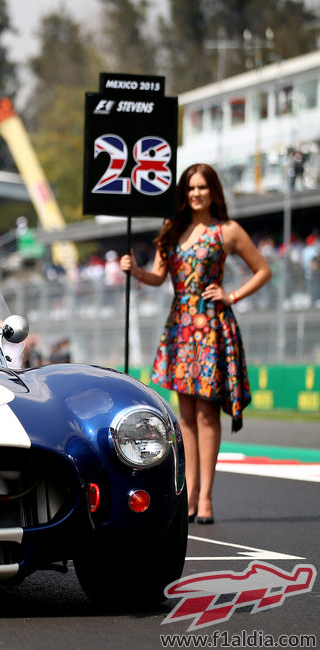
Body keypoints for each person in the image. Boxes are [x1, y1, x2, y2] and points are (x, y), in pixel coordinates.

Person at [120, 163, 272, 525]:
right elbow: (158, 278)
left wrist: (231, 295)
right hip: (179, 329)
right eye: (190, 187)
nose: (196, 193)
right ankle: (187, 493)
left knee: (206, 414)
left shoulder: (228, 230)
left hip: (211, 328)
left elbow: (264, 270)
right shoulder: (171, 229)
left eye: (202, 187)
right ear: (183, 193)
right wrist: (135, 271)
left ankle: (205, 498)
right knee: (184, 418)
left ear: (213, 190)